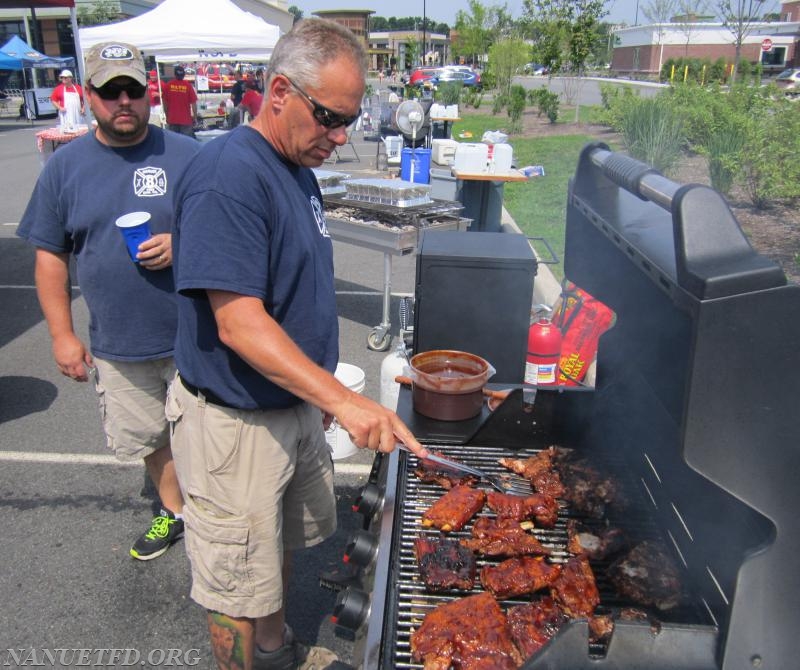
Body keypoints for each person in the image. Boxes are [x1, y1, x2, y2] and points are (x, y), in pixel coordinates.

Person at [168, 18, 427, 670]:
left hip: (288, 408)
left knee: (278, 542)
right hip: (234, 427)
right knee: (231, 581)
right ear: (279, 90)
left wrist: (314, 396)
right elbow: (238, 323)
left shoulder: (297, 167)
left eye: (350, 121)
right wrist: (343, 399)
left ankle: (276, 645)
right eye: (330, 119)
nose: (340, 139)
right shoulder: (228, 175)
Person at [17, 42, 200, 561]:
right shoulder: (65, 168)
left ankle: (210, 515)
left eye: (133, 89)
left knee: (208, 434)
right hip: (119, 343)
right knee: (147, 436)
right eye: (109, 91)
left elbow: (227, 229)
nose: (124, 100)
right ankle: (175, 512)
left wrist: (181, 244)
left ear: (149, 92)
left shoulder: (190, 156)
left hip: (197, 334)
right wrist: (61, 334)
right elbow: (51, 256)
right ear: (89, 95)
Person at [162, 65, 197, 137]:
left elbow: (165, 103)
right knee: (186, 143)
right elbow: (194, 104)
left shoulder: (168, 85)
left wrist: (167, 116)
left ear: (175, 74)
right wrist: (195, 117)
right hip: (186, 120)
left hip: (172, 119)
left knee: (174, 143)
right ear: (183, 75)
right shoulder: (188, 86)